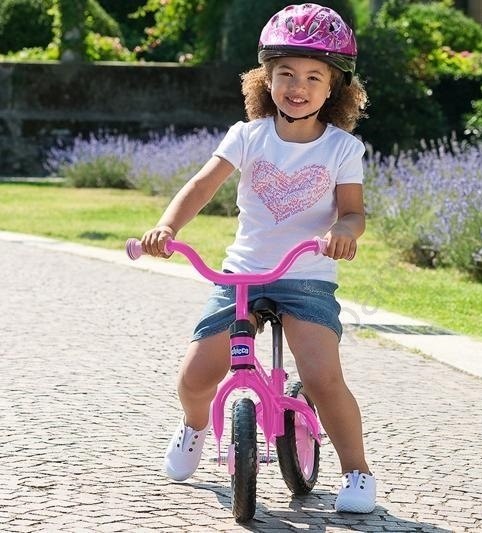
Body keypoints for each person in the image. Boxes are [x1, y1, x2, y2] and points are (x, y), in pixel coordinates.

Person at [138, 3, 375, 514]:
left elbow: (354, 212)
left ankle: (356, 470)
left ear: (333, 88)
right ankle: (194, 427)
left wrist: (342, 231)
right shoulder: (248, 136)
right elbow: (201, 186)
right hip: (243, 274)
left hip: (305, 275)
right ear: (266, 79)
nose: (297, 86)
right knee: (196, 375)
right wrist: (167, 227)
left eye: (313, 77)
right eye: (285, 73)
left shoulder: (342, 148)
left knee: (322, 378)